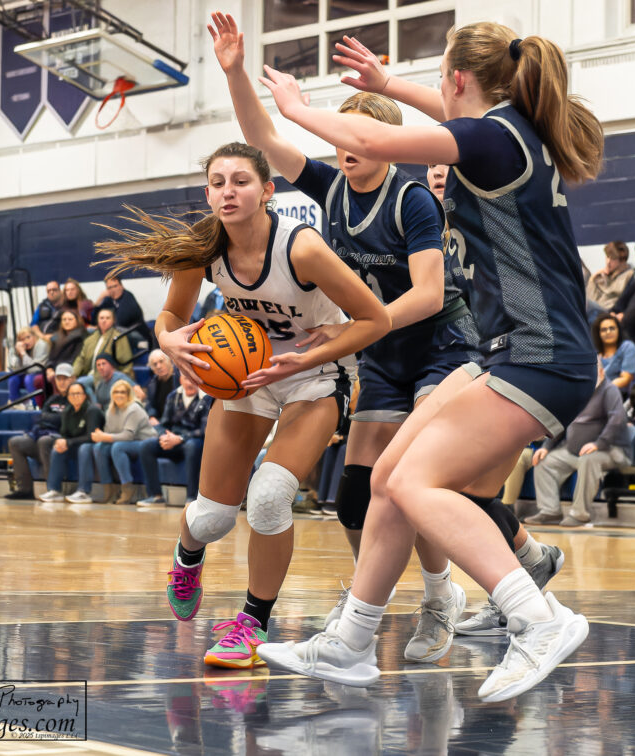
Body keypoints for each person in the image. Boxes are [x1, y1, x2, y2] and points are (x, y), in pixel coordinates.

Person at [253, 21, 601, 701]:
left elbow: (374, 138)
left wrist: (295, 109)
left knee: (420, 484)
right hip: (514, 350)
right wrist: (387, 84)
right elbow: (446, 118)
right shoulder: (507, 131)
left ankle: (538, 619)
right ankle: (351, 642)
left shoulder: (493, 137)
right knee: (388, 476)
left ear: (459, 78)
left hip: (539, 353)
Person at [210, 12, 483, 663]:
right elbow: (261, 139)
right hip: (385, 356)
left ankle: (442, 595)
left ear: (387, 144)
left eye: (360, 137)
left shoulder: (412, 200)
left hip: (443, 351)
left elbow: (430, 293)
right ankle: (373, 596)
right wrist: (235, 73)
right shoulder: (330, 188)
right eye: (341, 138)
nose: (345, 146)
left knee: (413, 481)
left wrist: (351, 328)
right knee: (356, 498)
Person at [94, 139, 389, 669]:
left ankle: (250, 622)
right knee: (211, 518)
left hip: (315, 376)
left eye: (241, 181)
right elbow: (169, 317)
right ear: (208, 193)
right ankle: (188, 554)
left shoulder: (301, 249)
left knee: (271, 497)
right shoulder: (203, 250)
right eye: (217, 182)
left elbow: (375, 321)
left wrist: (305, 358)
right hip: (247, 376)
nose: (227, 191)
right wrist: (168, 341)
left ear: (268, 191)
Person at [524, 364, 633, 527]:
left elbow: (617, 420)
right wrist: (547, 446)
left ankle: (580, 514)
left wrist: (598, 443)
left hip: (610, 450)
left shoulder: (609, 390)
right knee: (544, 461)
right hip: (574, 451)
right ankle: (550, 511)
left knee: (589, 460)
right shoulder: (577, 391)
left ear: (602, 372)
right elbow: (563, 421)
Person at [136, 375, 214, 507]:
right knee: (146, 446)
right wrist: (164, 436)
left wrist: (180, 438)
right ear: (180, 380)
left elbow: (204, 431)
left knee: (192, 446)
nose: (189, 383)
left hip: (194, 441)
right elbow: (163, 423)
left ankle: (191, 497)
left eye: (193, 379)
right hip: (172, 439)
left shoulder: (206, 398)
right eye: (186, 379)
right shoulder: (173, 396)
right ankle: (156, 496)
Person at [80, 379, 157, 505]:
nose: (119, 395)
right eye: (116, 392)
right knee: (99, 447)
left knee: (117, 447)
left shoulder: (134, 409)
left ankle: (128, 488)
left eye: (122, 392)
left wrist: (103, 436)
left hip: (144, 442)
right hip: (126, 443)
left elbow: (128, 436)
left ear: (128, 395)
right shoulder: (110, 410)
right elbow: (109, 432)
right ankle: (109, 490)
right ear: (112, 394)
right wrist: (101, 437)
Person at [5, 363, 74, 500]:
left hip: (64, 441)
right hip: (45, 435)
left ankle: (53, 489)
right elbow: (43, 418)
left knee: (45, 441)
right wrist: (54, 419)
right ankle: (25, 490)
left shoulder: (76, 397)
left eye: (65, 378)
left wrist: (52, 419)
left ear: (72, 379)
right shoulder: (52, 399)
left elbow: (66, 421)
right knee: (15, 442)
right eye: (59, 379)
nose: (61, 382)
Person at [38, 382, 105, 503]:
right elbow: (64, 434)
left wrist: (68, 442)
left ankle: (84, 491)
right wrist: (62, 442)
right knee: (57, 448)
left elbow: (92, 436)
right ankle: (54, 490)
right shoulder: (67, 412)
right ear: (68, 397)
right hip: (75, 444)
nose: (75, 396)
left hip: (95, 445)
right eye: (72, 394)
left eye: (78, 393)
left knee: (84, 448)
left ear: (85, 396)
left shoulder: (92, 410)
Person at [72, 307, 134, 388]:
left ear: (113, 321)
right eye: (101, 318)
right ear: (97, 320)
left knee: (80, 384)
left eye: (107, 318)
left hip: (108, 377)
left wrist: (121, 379)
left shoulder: (119, 337)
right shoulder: (90, 338)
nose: (104, 321)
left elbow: (126, 362)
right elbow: (81, 359)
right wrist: (72, 374)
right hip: (89, 374)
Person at [41, 310, 88, 392]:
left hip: (70, 368)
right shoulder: (57, 336)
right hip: (56, 368)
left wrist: (57, 370)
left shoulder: (81, 336)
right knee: (38, 379)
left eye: (70, 319)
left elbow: (75, 358)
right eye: (64, 319)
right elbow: (51, 356)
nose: (67, 322)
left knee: (56, 378)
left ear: (77, 321)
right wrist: (49, 368)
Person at [94, 274, 147, 345]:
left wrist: (99, 325)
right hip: (120, 331)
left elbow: (120, 322)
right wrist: (99, 299)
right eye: (109, 288)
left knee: (109, 331)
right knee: (92, 332)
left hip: (137, 333)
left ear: (122, 286)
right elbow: (94, 319)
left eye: (115, 286)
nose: (113, 290)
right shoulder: (108, 299)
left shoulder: (128, 297)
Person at [592, 314, 635, 394]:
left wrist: (600, 391)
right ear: (598, 334)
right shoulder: (594, 354)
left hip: (618, 395)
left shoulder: (627, 347)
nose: (608, 332)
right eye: (603, 330)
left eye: (612, 328)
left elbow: (626, 379)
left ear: (618, 330)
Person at [586, 241, 632, 315]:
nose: (608, 262)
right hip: (597, 309)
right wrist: (592, 280)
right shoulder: (603, 275)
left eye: (613, 258)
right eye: (607, 257)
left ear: (622, 260)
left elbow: (616, 293)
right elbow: (591, 299)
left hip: (609, 312)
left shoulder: (629, 275)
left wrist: (612, 278)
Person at [6, 327, 49, 409]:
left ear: (35, 336)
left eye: (28, 337)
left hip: (41, 373)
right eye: (22, 340)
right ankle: (15, 403)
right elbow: (16, 369)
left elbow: (35, 368)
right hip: (28, 373)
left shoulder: (42, 345)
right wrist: (17, 353)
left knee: (28, 379)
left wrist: (23, 353)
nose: (26, 341)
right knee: (13, 378)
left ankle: (35, 405)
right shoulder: (23, 348)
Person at [135, 350, 180, 423]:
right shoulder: (153, 383)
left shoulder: (179, 379)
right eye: (154, 364)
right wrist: (152, 416)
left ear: (169, 361)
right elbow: (150, 404)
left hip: (175, 422)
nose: (158, 366)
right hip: (159, 421)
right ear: (152, 369)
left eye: (161, 361)